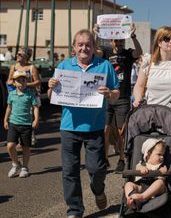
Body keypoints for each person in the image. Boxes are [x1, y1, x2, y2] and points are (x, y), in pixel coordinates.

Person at [48, 29, 120, 218]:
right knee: (69, 172)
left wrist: (109, 94)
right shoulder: (64, 66)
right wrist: (51, 88)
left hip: (95, 127)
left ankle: (98, 190)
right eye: (80, 44)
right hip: (69, 127)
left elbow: (116, 94)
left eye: (88, 44)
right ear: (74, 47)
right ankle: (75, 210)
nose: (84, 48)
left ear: (94, 46)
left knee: (96, 170)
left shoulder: (104, 66)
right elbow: (51, 97)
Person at [132, 26, 171, 143]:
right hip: (150, 116)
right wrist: (137, 99)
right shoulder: (148, 61)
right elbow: (139, 86)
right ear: (159, 42)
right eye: (167, 39)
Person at [95, 24, 143, 172]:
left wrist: (133, 36)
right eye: (116, 41)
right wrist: (96, 34)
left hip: (122, 97)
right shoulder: (106, 52)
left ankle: (122, 158)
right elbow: (95, 53)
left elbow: (139, 52)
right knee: (105, 130)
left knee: (122, 131)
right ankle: (105, 158)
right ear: (110, 41)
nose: (118, 43)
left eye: (121, 41)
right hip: (106, 97)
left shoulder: (128, 53)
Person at [4, 71, 39, 178]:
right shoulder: (11, 94)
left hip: (26, 124)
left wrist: (36, 119)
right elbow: (9, 107)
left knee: (25, 148)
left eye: (23, 80)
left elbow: (35, 107)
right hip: (13, 123)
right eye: (18, 81)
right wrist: (5, 119)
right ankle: (16, 164)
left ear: (26, 82)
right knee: (10, 146)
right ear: (14, 83)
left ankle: (25, 167)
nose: (21, 83)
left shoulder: (30, 94)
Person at [7, 47, 42, 146]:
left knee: (29, 116)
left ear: (26, 56)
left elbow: (38, 81)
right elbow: (9, 81)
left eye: (20, 54)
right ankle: (18, 139)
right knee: (17, 116)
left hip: (30, 96)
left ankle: (31, 136)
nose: (17, 56)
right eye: (17, 54)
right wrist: (15, 84)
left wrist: (27, 85)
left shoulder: (31, 67)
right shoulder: (13, 67)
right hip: (18, 96)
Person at [124, 139, 168, 210]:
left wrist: (163, 172)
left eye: (163, 155)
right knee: (128, 184)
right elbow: (137, 167)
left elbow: (162, 179)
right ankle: (130, 199)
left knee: (160, 182)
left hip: (156, 191)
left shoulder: (161, 166)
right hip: (141, 187)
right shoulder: (142, 164)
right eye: (159, 154)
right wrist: (140, 168)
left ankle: (142, 197)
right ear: (149, 154)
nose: (162, 157)